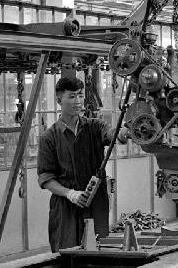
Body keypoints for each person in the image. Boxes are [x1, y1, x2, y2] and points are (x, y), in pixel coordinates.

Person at [37, 76, 129, 252]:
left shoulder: (95, 127)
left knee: (98, 251)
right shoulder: (50, 137)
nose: (78, 101)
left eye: (80, 96)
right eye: (71, 97)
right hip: (66, 207)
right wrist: (70, 194)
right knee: (66, 253)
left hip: (95, 203)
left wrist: (124, 133)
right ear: (59, 100)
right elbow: (46, 177)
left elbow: (111, 133)